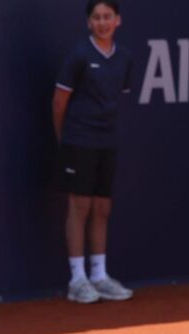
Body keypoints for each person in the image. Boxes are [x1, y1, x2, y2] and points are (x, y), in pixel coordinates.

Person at [53, 0, 134, 303]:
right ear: (89, 22)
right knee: (80, 207)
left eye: (107, 17)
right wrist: (66, 140)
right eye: (96, 17)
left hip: (107, 142)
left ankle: (99, 275)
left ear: (117, 21)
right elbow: (59, 102)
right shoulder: (79, 56)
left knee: (102, 209)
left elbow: (118, 99)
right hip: (78, 140)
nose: (102, 22)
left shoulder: (124, 58)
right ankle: (78, 279)